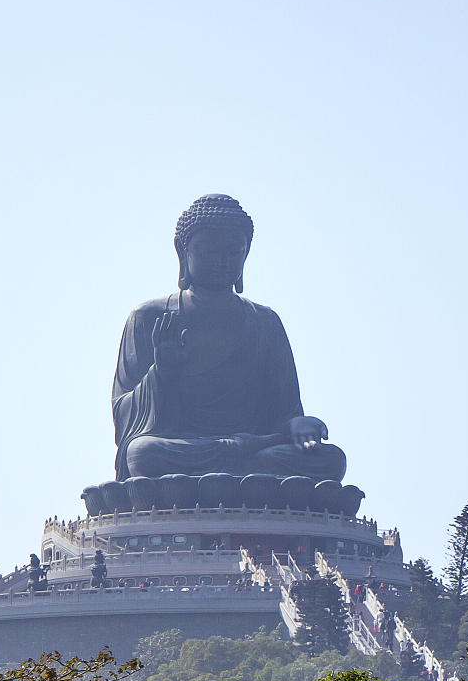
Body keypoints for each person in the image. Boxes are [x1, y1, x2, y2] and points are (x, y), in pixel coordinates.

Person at [111, 195, 347, 483]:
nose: (223, 262)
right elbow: (123, 416)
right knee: (143, 454)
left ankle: (232, 477)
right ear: (182, 252)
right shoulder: (149, 317)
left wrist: (295, 425)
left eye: (234, 252)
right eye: (209, 251)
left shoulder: (265, 323)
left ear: (246, 254)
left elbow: (284, 414)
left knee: (332, 461)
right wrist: (162, 374)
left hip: (256, 450)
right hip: (184, 450)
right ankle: (243, 480)